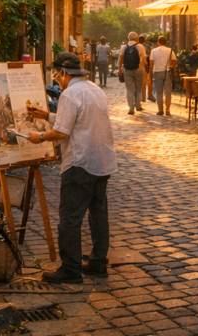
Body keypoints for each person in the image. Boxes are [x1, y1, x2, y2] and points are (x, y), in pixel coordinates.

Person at [26, 52, 117, 283]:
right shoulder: (94, 89)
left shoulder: (69, 94)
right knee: (98, 215)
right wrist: (47, 115)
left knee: (70, 218)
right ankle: (98, 264)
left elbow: (62, 131)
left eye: (56, 75)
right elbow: (79, 119)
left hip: (80, 162)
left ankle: (71, 270)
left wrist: (41, 137)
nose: (56, 79)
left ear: (64, 73)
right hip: (102, 161)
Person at [149, 36, 176, 116]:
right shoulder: (170, 50)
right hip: (167, 72)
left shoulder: (154, 51)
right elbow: (174, 61)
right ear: (166, 42)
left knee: (159, 92)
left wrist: (150, 75)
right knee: (168, 92)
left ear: (158, 42)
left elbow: (151, 64)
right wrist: (170, 66)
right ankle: (167, 109)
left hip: (157, 72)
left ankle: (160, 109)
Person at [119, 32, 146, 115]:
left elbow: (120, 59)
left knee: (129, 89)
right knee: (138, 88)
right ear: (137, 38)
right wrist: (146, 67)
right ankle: (138, 105)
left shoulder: (124, 47)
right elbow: (144, 59)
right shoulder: (140, 46)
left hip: (127, 70)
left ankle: (131, 108)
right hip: (139, 69)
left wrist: (119, 69)